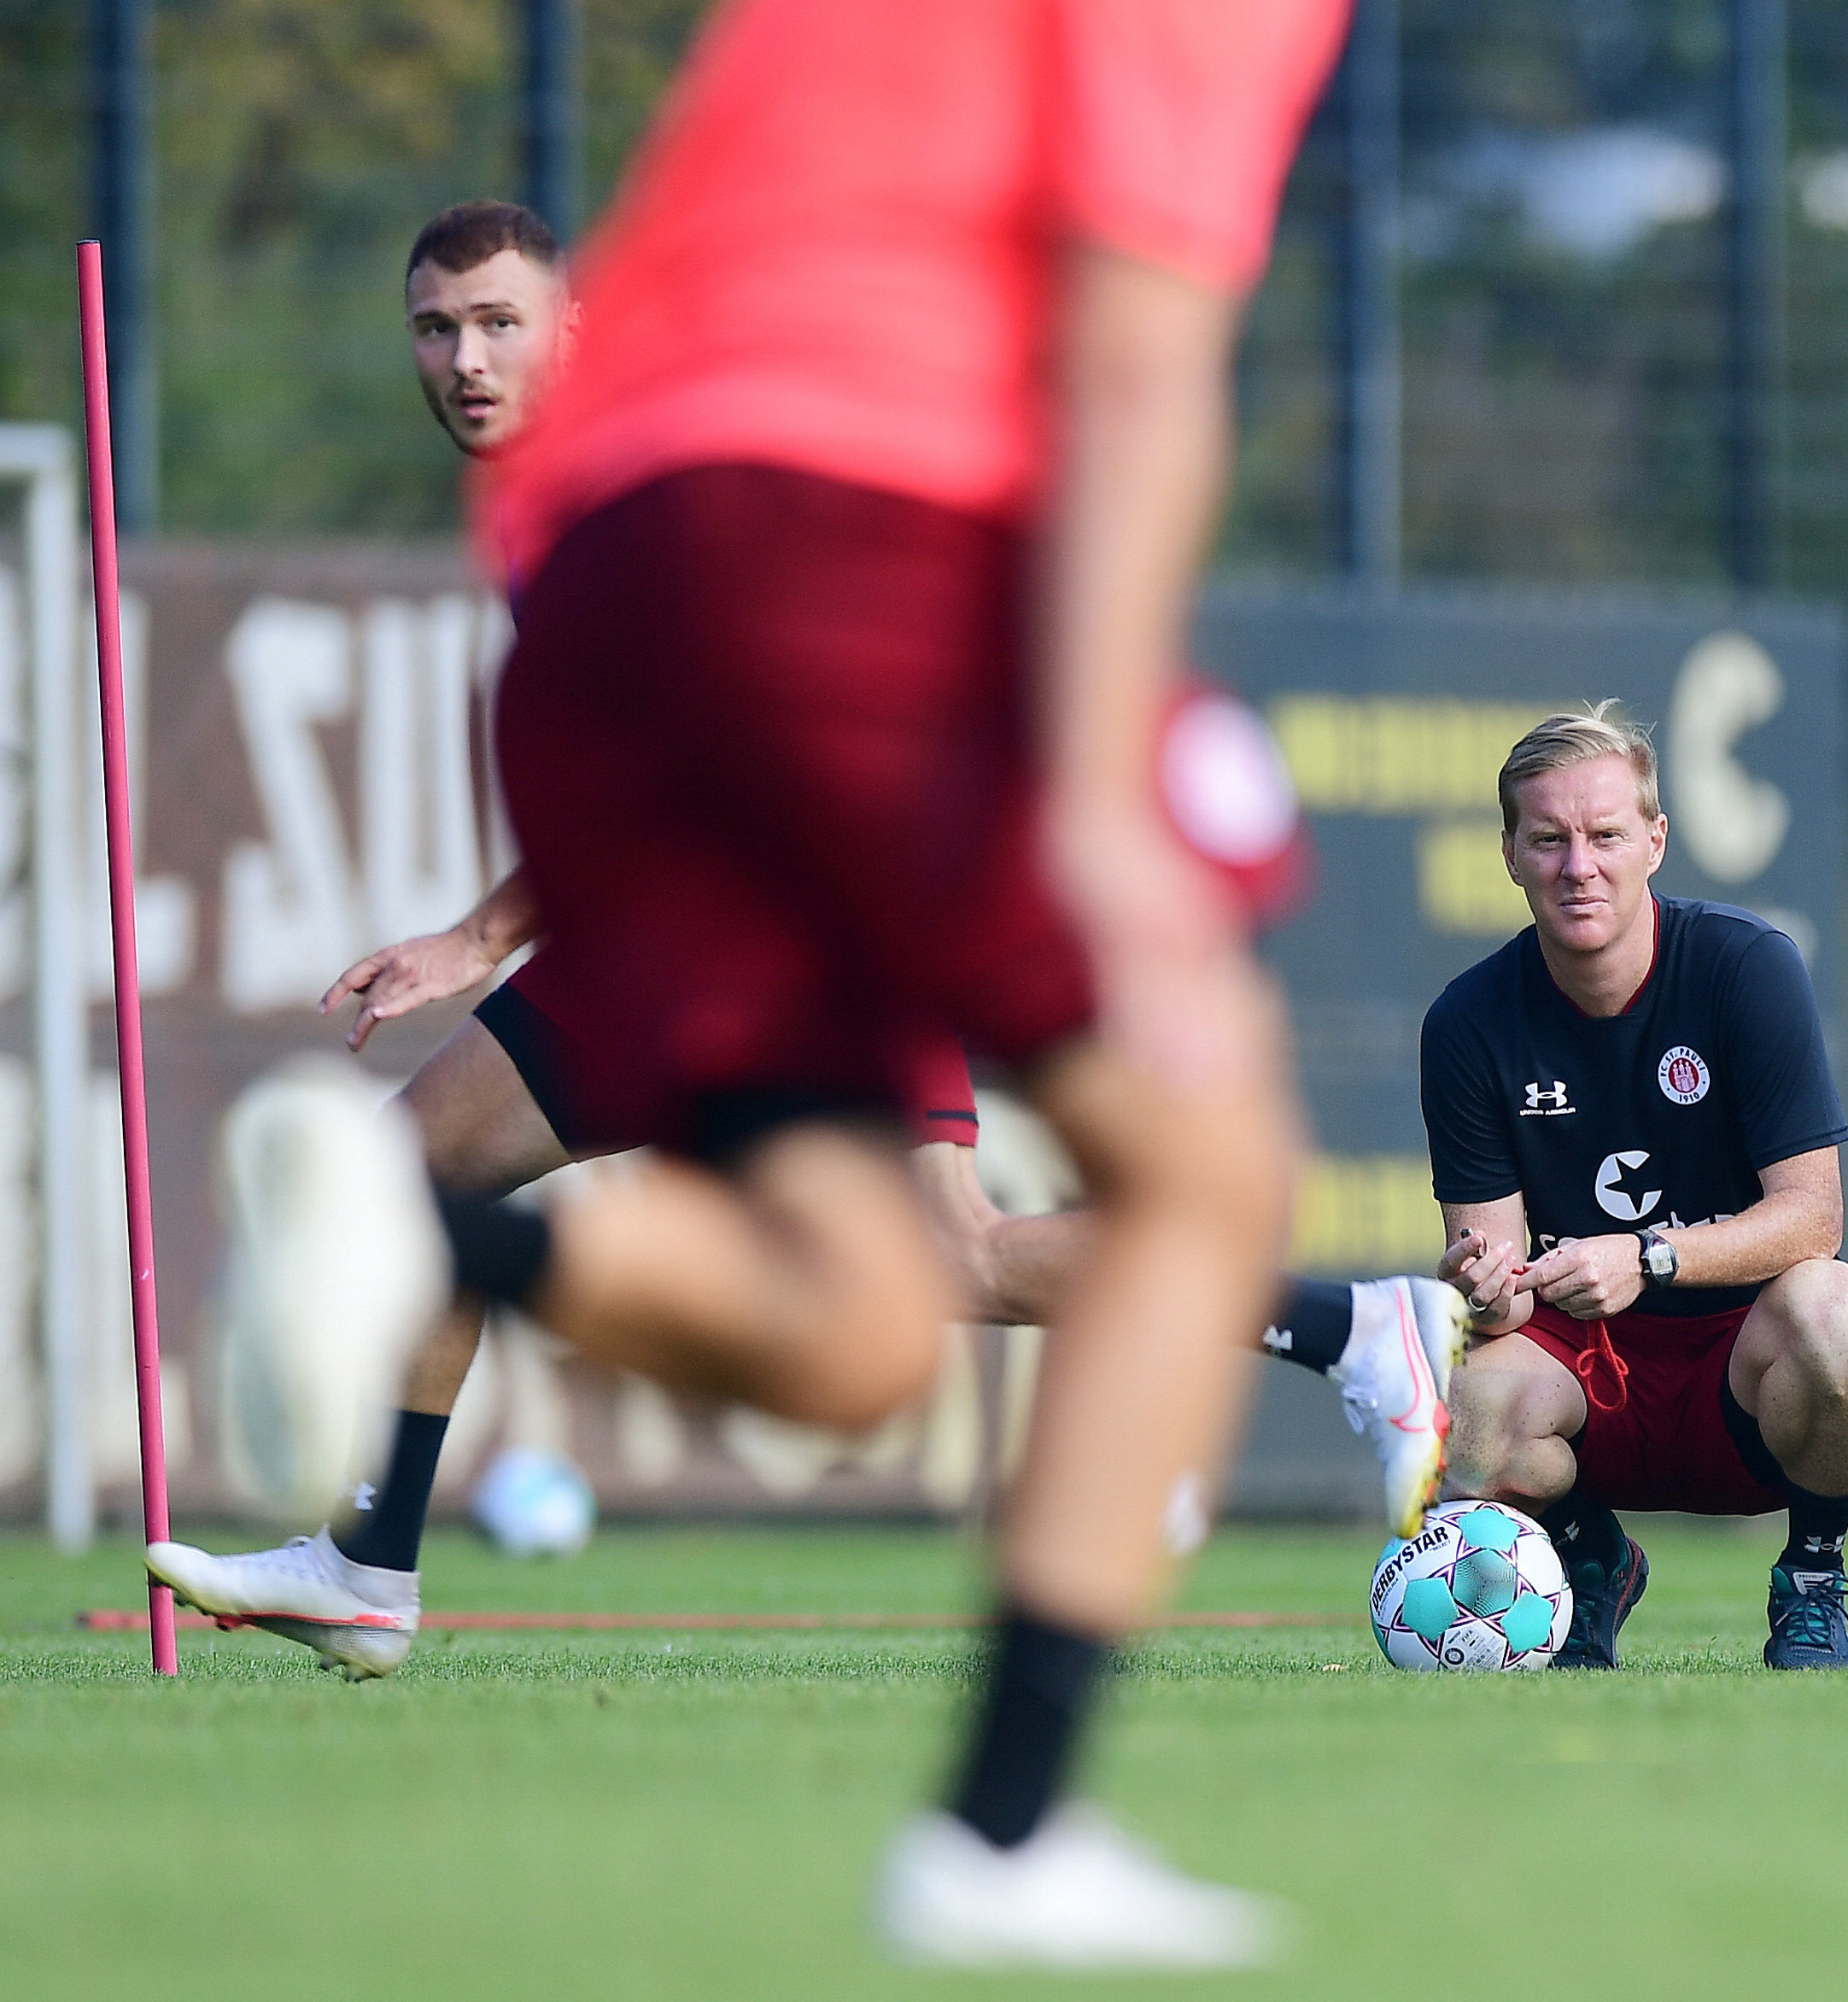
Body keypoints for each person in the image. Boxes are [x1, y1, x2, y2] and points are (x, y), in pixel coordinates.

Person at [204, 1, 1354, 1968]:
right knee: (1210, 1156)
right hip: (855, 547)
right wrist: (1081, 796)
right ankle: (1006, 1823)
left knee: (867, 1323)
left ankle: (425, 1246)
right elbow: (1141, 358)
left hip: (595, 587)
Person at [151, 196, 1459, 1689]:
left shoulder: (630, 474)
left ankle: (1356, 1328)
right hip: (690, 923)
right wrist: (495, 930)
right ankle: (366, 1562)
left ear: (572, 329)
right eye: (436, 328)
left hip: (829, 908)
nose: (464, 357)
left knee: (940, 1255)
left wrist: (495, 931)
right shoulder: (553, 501)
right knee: (410, 1170)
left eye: (499, 321)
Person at [1427, 706, 1848, 1671]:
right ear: (1510, 853)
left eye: (1604, 836)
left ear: (1655, 840)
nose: (1578, 865)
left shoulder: (1745, 965)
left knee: (1839, 1312)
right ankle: (1588, 1558)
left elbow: (1815, 1217)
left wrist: (1652, 1256)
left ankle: (1811, 1582)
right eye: (1548, 839)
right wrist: (1479, 1284)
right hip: (1585, 1369)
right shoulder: (1467, 1020)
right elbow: (1501, 1286)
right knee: (1458, 1411)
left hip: (1740, 1363)